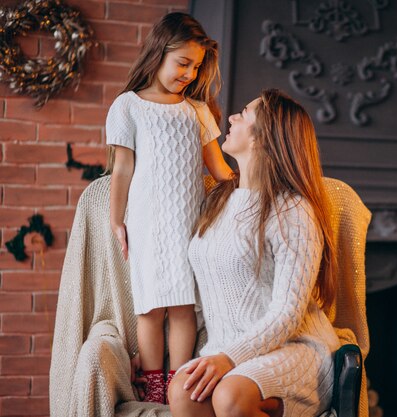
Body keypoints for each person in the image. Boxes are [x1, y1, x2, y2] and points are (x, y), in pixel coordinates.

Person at [167, 89, 341, 417]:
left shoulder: (293, 209)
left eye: (244, 114)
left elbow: (288, 313)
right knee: (182, 391)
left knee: (231, 396)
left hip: (292, 348)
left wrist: (230, 358)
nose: (231, 118)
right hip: (226, 350)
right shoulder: (218, 200)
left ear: (264, 138)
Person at [106, 12, 233, 404]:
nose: (189, 74)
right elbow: (122, 169)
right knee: (151, 308)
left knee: (182, 307)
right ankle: (153, 383)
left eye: (195, 67)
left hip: (188, 226)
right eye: (182, 63)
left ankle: (178, 383)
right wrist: (117, 222)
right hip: (146, 224)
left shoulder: (196, 112)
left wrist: (256, 186)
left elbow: (220, 170)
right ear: (158, 52)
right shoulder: (128, 106)